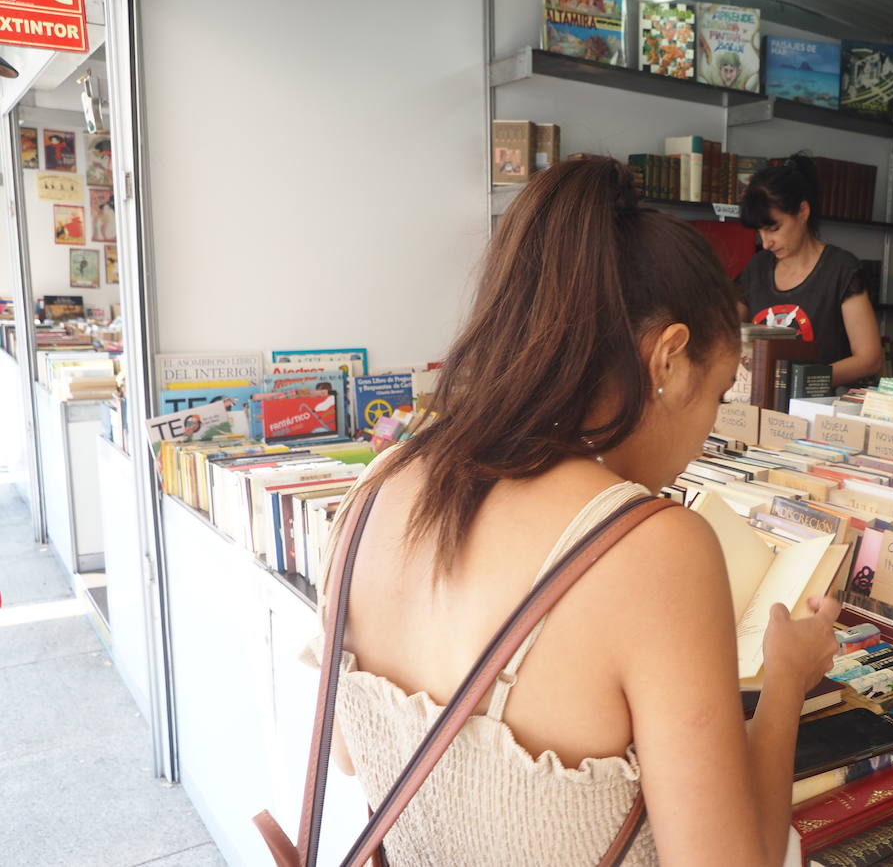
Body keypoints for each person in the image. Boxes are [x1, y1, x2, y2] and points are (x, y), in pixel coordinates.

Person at [306, 156, 839, 866]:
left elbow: (349, 752)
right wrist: (784, 686)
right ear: (669, 359)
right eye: (716, 397)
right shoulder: (653, 549)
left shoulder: (380, 484)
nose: (706, 429)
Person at [737, 153, 883, 387]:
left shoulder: (841, 269)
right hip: (762, 407)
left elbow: (869, 359)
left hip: (820, 407)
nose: (765, 243)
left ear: (803, 211)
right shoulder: (757, 267)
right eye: (759, 231)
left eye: (774, 228)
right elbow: (726, 334)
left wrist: (794, 382)